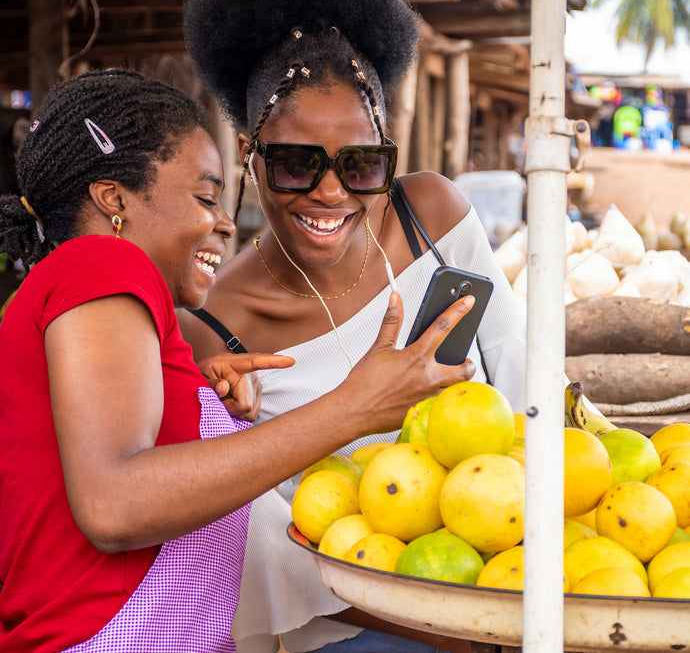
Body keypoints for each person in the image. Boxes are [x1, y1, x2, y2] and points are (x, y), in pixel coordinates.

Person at [0, 69, 477, 653]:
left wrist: (197, 407)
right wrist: (354, 409)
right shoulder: (102, 264)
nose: (225, 224)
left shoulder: (88, 294)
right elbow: (113, 504)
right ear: (114, 199)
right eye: (204, 198)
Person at [179, 0, 528, 652]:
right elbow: (267, 553)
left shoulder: (433, 218)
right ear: (250, 155)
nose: (331, 194)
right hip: (348, 624)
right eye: (296, 164)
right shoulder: (213, 325)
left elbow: (523, 388)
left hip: (500, 570)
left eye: (363, 165)